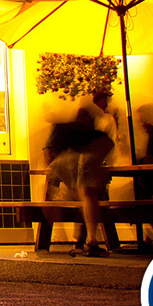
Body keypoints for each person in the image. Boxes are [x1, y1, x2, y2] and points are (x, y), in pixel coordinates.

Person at [45, 93, 114, 258]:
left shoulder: (65, 131)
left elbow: (49, 154)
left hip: (74, 174)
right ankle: (88, 239)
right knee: (88, 194)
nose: (94, 122)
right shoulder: (96, 137)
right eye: (93, 118)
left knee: (86, 193)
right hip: (81, 173)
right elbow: (107, 146)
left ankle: (86, 239)